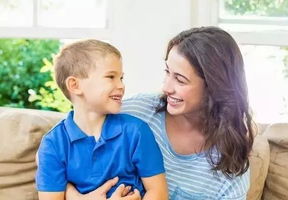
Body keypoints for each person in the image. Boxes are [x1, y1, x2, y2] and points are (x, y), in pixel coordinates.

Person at [66, 26, 254, 200]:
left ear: (214, 86)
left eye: (180, 80)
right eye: (167, 72)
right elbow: (58, 156)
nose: (166, 87)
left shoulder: (230, 163)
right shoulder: (135, 114)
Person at [35, 39, 168, 200]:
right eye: (111, 77)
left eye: (121, 78)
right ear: (75, 85)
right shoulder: (53, 144)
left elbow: (158, 193)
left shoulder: (136, 131)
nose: (121, 86)